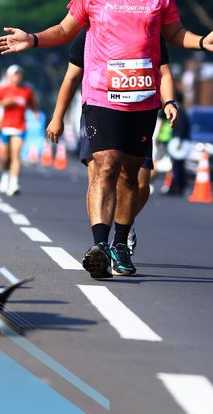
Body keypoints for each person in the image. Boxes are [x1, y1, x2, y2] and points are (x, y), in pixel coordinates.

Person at [0, 0, 213, 279]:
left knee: (131, 174)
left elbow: (174, 33)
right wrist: (32, 39)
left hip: (142, 98)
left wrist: (204, 41)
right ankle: (99, 245)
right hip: (101, 94)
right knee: (106, 164)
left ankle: (121, 243)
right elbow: (64, 29)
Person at [46, 26, 179, 258]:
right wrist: (58, 117)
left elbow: (164, 71)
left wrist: (169, 101)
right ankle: (102, 245)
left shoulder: (149, 30)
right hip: (99, 109)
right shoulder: (89, 33)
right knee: (102, 172)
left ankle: (123, 226)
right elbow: (71, 76)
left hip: (140, 111)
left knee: (139, 180)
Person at [0, 65, 37, 196]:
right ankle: (5, 176)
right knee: (5, 156)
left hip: (20, 126)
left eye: (19, 74)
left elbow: (33, 105)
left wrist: (36, 113)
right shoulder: (2, 89)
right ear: (9, 76)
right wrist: (3, 103)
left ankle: (14, 183)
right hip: (5, 126)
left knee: (16, 154)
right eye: (15, 74)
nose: (18, 76)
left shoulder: (27, 90)